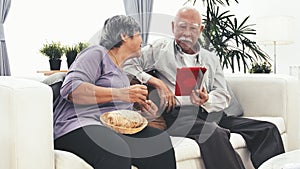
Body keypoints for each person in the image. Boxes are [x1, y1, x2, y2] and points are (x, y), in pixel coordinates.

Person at [123, 7, 285, 169]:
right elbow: (127, 64)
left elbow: (223, 94)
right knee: (214, 133)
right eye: (181, 26)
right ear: (173, 27)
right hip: (179, 115)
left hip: (210, 112)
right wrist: (156, 82)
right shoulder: (159, 50)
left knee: (267, 129)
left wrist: (208, 99)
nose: (186, 33)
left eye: (192, 28)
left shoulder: (210, 58)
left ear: (200, 30)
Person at [53, 15, 176, 169]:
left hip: (109, 129)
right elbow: (71, 89)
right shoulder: (96, 53)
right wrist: (121, 94)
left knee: (159, 142)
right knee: (115, 149)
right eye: (138, 35)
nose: (142, 41)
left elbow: (114, 111)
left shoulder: (121, 73)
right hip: (77, 126)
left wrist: (140, 110)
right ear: (124, 36)